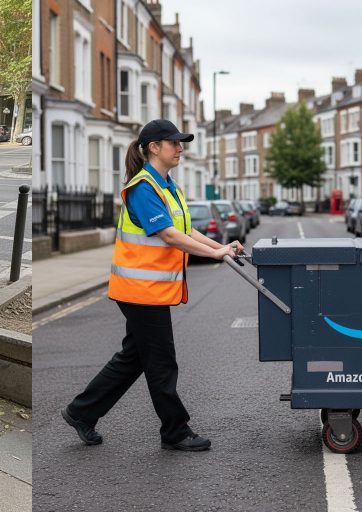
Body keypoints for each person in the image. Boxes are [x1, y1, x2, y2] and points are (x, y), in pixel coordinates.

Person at [61, 119, 243, 452]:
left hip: (147, 290)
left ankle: (81, 412)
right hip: (139, 291)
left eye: (182, 142)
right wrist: (216, 254)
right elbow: (169, 236)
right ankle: (175, 430)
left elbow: (185, 231)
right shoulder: (143, 187)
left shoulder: (168, 185)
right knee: (161, 361)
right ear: (154, 148)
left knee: (135, 358)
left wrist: (221, 246)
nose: (180, 147)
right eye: (174, 142)